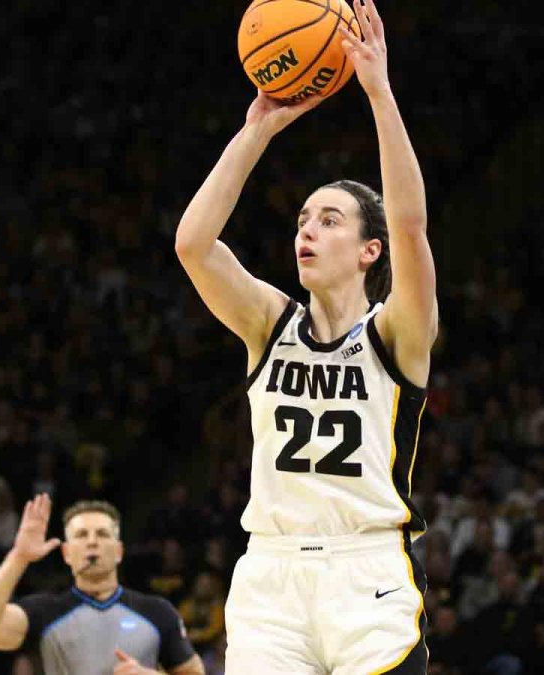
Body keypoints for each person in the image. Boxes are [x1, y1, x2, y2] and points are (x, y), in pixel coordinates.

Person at [173, 0, 438, 671]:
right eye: (302, 220)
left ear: (370, 250)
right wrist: (255, 131)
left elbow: (410, 226)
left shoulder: (398, 332)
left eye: (329, 220)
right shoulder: (269, 323)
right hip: (272, 575)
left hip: (367, 571)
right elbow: (193, 244)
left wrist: (379, 94)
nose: (307, 231)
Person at [0, 495, 204, 675]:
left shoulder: (157, 611)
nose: (92, 542)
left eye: (102, 534)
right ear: (66, 553)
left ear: (119, 551)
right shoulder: (45, 611)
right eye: (81, 535)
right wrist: (19, 556)